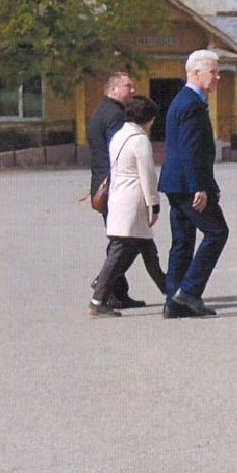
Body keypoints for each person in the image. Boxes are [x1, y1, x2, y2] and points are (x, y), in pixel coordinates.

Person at [159, 50, 228, 319]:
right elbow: (188, 150)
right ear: (196, 73)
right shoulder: (189, 103)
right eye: (213, 72)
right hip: (187, 185)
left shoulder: (188, 100)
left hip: (178, 183)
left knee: (183, 241)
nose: (217, 77)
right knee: (217, 232)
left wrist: (209, 183)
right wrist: (199, 187)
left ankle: (173, 299)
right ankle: (188, 292)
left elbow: (197, 150)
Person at [88, 95, 171, 317]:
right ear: (148, 118)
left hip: (118, 197)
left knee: (147, 250)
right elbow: (148, 175)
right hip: (133, 201)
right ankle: (98, 299)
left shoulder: (118, 135)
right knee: (119, 252)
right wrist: (154, 204)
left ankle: (170, 291)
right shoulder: (139, 139)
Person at [87, 71, 141, 309]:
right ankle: (104, 284)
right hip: (114, 187)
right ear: (113, 89)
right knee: (125, 241)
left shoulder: (100, 111)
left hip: (102, 183)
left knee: (121, 239)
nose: (132, 90)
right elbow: (118, 154)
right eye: (128, 86)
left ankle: (118, 291)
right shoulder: (115, 116)